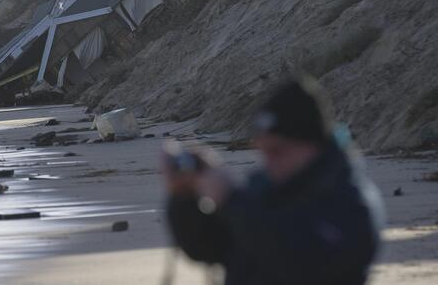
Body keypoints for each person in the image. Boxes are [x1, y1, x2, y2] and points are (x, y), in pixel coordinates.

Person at [162, 76, 384, 285]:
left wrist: (231, 202)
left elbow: (303, 261)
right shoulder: (264, 186)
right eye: (264, 151)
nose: (268, 162)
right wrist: (183, 198)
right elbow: (208, 247)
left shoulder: (353, 200)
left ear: (312, 144)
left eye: (277, 151)